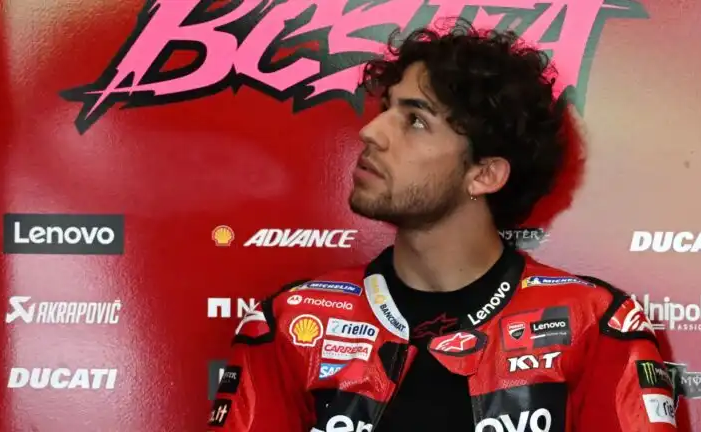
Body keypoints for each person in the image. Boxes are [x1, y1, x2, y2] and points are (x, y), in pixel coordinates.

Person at [207, 22, 677, 432]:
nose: (371, 132)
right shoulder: (292, 323)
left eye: (414, 120)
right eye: (385, 109)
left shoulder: (595, 324)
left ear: (484, 174)